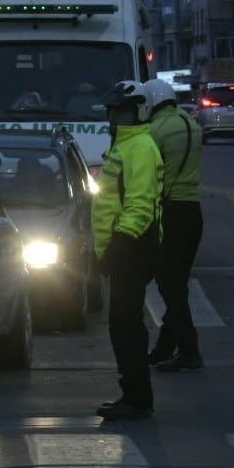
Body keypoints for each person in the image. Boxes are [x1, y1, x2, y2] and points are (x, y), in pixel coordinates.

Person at [92, 80, 163, 421]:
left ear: (140, 111)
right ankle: (133, 394)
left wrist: (119, 244)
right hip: (122, 247)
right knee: (122, 324)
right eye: (111, 111)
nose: (114, 118)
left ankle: (137, 399)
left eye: (121, 111)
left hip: (133, 247)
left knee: (127, 325)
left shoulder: (140, 148)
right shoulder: (123, 148)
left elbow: (139, 204)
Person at [143, 79, 204, 372]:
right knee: (177, 284)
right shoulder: (190, 123)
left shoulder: (156, 130)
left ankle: (190, 351)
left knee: (169, 285)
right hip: (192, 210)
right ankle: (166, 347)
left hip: (170, 209)